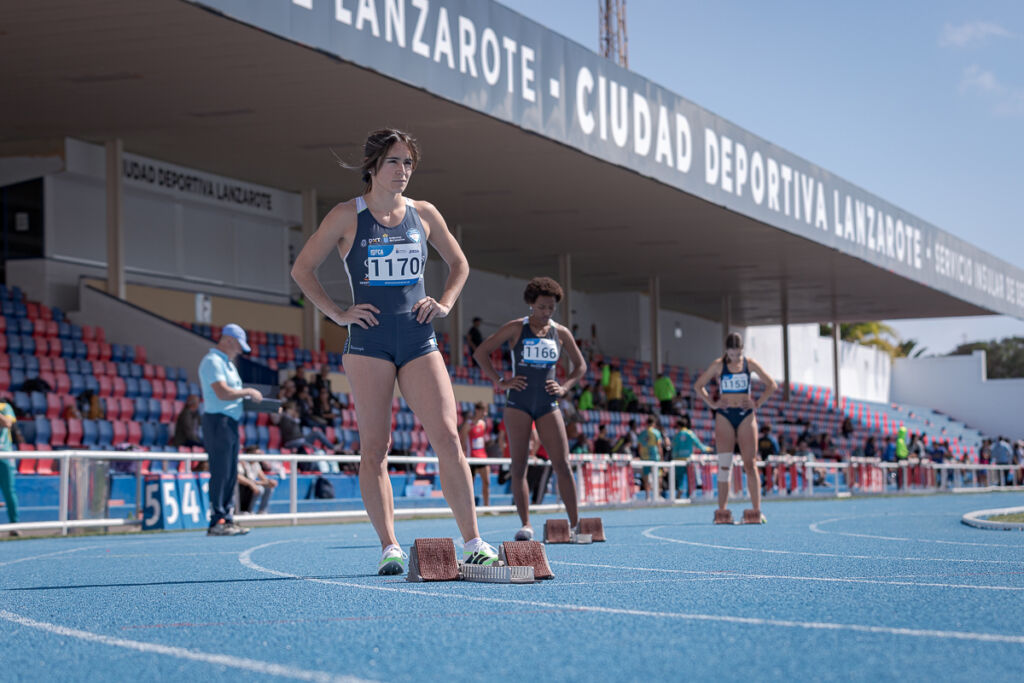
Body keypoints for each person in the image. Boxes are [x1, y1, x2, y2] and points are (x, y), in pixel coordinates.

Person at [290, 128, 498, 573]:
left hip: (419, 339)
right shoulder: (347, 216)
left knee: (447, 436)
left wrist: (444, 303)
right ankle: (389, 545)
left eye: (408, 163)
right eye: (394, 162)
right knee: (375, 448)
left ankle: (474, 541)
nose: (402, 171)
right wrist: (338, 313)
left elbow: (460, 264)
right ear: (372, 167)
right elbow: (302, 269)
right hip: (369, 343)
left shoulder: (423, 213)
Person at [473, 276, 587, 541]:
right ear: (531, 305)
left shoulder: (560, 332)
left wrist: (565, 386)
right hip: (518, 403)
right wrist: (501, 381)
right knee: (519, 466)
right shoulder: (515, 328)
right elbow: (481, 353)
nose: (547, 312)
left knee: (562, 463)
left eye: (551, 308)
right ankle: (526, 524)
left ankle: (575, 524)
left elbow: (580, 366)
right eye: (542, 307)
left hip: (548, 403)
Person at [694, 332, 777, 524]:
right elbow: (699, 386)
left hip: (746, 415)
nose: (735, 359)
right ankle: (722, 510)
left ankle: (757, 510)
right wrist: (712, 403)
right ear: (726, 352)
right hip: (725, 416)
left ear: (742, 350)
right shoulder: (718, 365)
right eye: (731, 355)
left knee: (750, 464)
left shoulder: (750, 364)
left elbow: (771, 384)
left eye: (738, 355)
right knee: (724, 464)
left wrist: (757, 403)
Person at [198, 323, 262, 536]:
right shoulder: (212, 362)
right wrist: (248, 392)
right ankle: (217, 519)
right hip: (218, 421)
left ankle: (227, 517)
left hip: (230, 422)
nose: (239, 350)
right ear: (227, 340)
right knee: (220, 472)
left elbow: (230, 394)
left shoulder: (228, 364)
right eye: (237, 345)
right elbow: (223, 393)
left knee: (230, 473)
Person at [459, 402, 490, 506]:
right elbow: (462, 442)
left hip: (482, 457)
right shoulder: (468, 424)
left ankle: (487, 506)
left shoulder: (483, 424)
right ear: (477, 410)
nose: (485, 414)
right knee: (469, 485)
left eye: (486, 411)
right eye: (483, 411)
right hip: (471, 457)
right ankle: (469, 507)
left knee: (487, 482)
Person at [671, 415, 710, 497]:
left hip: (678, 460)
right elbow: (698, 444)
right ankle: (689, 494)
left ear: (678, 425)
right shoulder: (690, 433)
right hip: (688, 459)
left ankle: (679, 492)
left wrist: (673, 458)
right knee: (690, 478)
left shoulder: (676, 435)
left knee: (680, 479)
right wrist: (707, 449)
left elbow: (674, 448)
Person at [0, 397, 20, 536]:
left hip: (4, 454)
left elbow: (7, 423)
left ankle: (14, 525)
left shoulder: (4, 407)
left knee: (9, 491)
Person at [238, 446, 278, 514]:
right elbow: (238, 478)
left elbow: (264, 480)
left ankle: (262, 511)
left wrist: (270, 482)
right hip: (242, 488)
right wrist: (251, 484)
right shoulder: (242, 463)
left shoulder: (256, 464)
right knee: (260, 489)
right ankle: (248, 510)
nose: (258, 456)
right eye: (257, 454)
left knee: (269, 487)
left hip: (251, 485)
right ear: (249, 454)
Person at [637, 415, 664, 500]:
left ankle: (647, 496)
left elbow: (639, 447)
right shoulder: (656, 433)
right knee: (658, 476)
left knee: (646, 477)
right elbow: (659, 446)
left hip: (645, 457)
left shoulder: (642, 434)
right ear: (654, 423)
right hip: (654, 457)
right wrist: (662, 457)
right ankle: (658, 495)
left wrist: (641, 456)